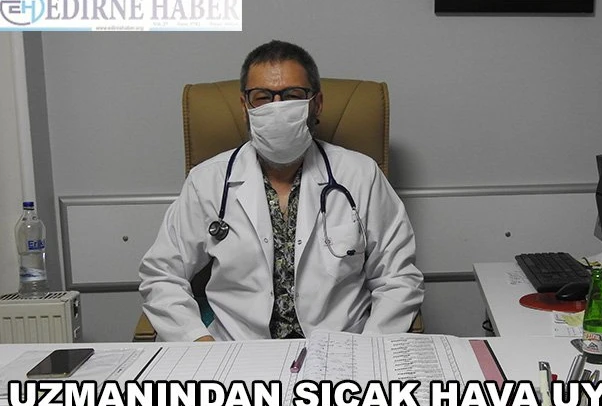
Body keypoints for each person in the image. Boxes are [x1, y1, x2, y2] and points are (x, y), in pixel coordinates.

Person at [139, 40, 424, 341]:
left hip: (341, 348)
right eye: (262, 97)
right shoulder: (207, 181)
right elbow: (161, 275)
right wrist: (198, 341)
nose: (277, 107)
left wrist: (369, 348)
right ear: (245, 106)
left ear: (317, 103)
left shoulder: (361, 175)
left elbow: (398, 279)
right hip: (236, 350)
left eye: (292, 96)